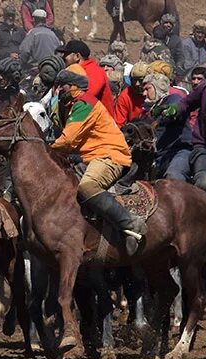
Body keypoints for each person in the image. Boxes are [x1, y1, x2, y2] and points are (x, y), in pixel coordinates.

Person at [51, 65, 145, 254]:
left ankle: (130, 223)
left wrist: (45, 149)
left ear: (74, 86)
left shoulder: (84, 104)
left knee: (87, 186)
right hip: (92, 156)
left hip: (109, 155)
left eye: (63, 85)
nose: (59, 89)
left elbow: (68, 139)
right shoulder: (73, 105)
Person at [56, 39, 115, 116]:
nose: (63, 57)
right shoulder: (73, 71)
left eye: (67, 54)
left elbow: (87, 95)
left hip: (99, 123)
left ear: (77, 56)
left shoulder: (95, 71)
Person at [0, 6, 26, 72]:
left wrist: (19, 55)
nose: (10, 18)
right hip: (2, 66)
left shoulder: (20, 31)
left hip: (18, 65)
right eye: (8, 15)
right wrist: (9, 54)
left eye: (12, 15)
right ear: (4, 16)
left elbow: (26, 48)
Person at [113, 62, 147, 126]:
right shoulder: (126, 95)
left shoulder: (154, 94)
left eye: (140, 80)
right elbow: (119, 122)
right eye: (134, 80)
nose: (137, 84)